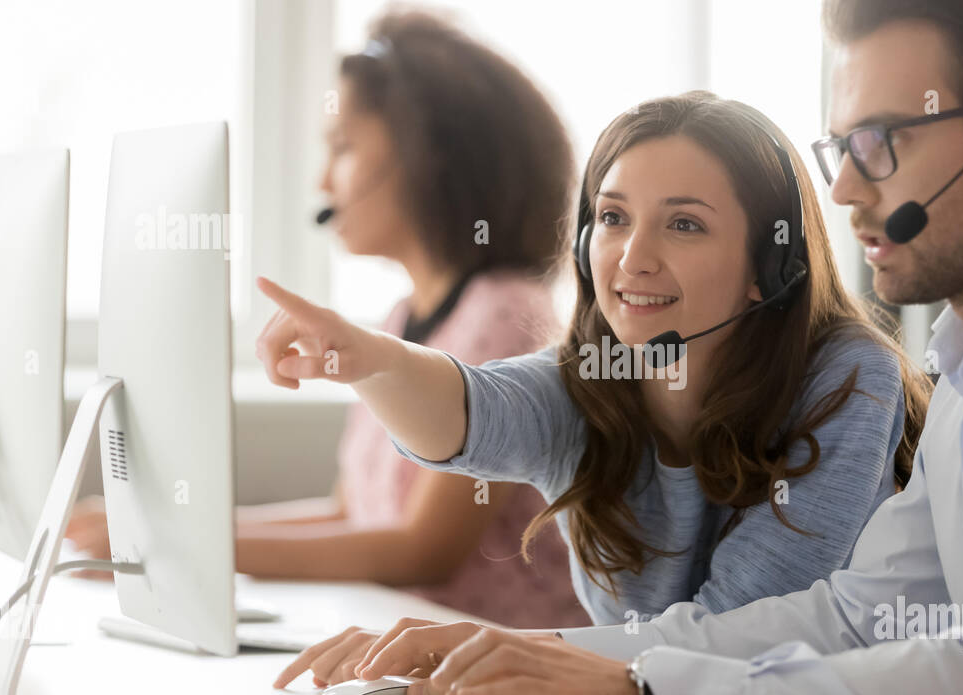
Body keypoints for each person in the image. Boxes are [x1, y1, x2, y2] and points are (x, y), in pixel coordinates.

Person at [271, 0, 963, 695]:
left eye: (882, 140)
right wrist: (539, 661)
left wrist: (643, 692)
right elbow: (858, 614)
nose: (840, 186)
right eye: (838, 142)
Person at [256, 89, 935, 677]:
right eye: (612, 218)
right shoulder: (593, 379)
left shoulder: (846, 378)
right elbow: (471, 408)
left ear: (770, 265)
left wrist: (517, 654)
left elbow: (739, 632)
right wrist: (369, 358)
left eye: (684, 224)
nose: (633, 258)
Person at [66, 8, 589, 629]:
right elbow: (354, 516)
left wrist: (175, 545)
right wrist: (166, 525)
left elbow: (423, 550)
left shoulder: (508, 314)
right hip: (399, 646)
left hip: (492, 676)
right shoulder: (400, 320)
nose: (322, 180)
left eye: (342, 148)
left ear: (430, 157)